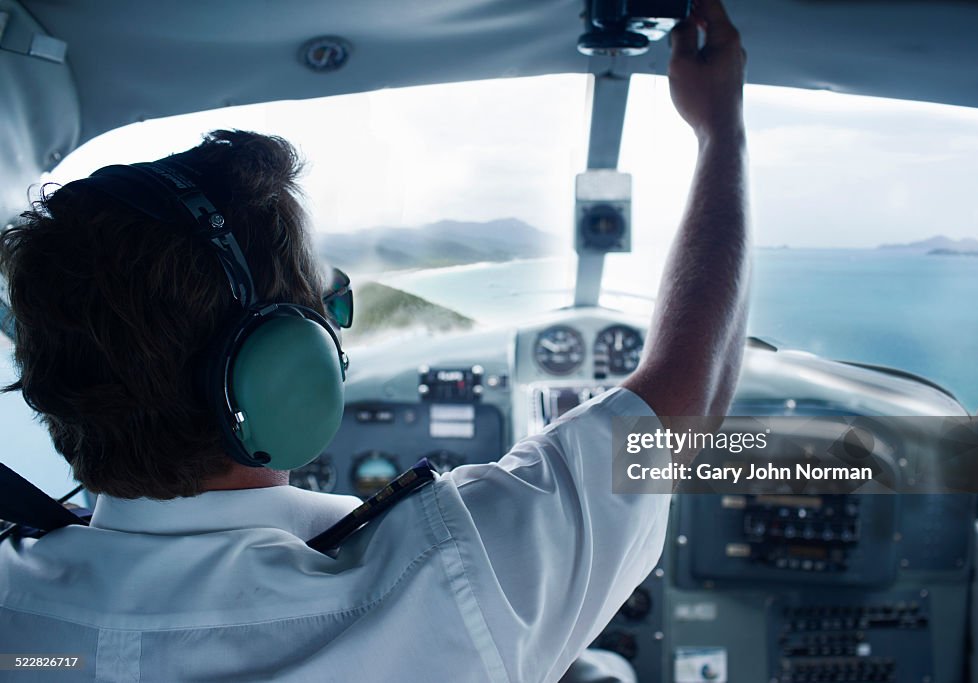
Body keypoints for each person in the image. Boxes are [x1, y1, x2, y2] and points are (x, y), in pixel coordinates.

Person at [0, 0, 747, 680]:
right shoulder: (449, 587)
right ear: (280, 370)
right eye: (328, 309)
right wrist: (719, 127)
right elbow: (686, 408)